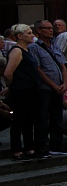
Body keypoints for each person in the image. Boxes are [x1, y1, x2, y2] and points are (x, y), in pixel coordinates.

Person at [28, 20, 67, 156]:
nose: (50, 30)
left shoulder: (55, 46)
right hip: (45, 88)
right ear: (38, 31)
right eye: (46, 28)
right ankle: (42, 147)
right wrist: (53, 85)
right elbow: (38, 69)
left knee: (57, 117)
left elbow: (63, 65)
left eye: (50, 28)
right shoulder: (34, 48)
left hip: (59, 86)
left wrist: (64, 83)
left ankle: (56, 145)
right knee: (42, 118)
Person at [3, 24, 42, 161]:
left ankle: (29, 148)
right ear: (20, 36)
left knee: (28, 121)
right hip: (22, 91)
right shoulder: (17, 51)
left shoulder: (26, 50)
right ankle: (17, 150)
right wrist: (11, 87)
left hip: (30, 90)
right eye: (29, 33)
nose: (32, 35)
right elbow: (8, 73)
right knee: (19, 120)